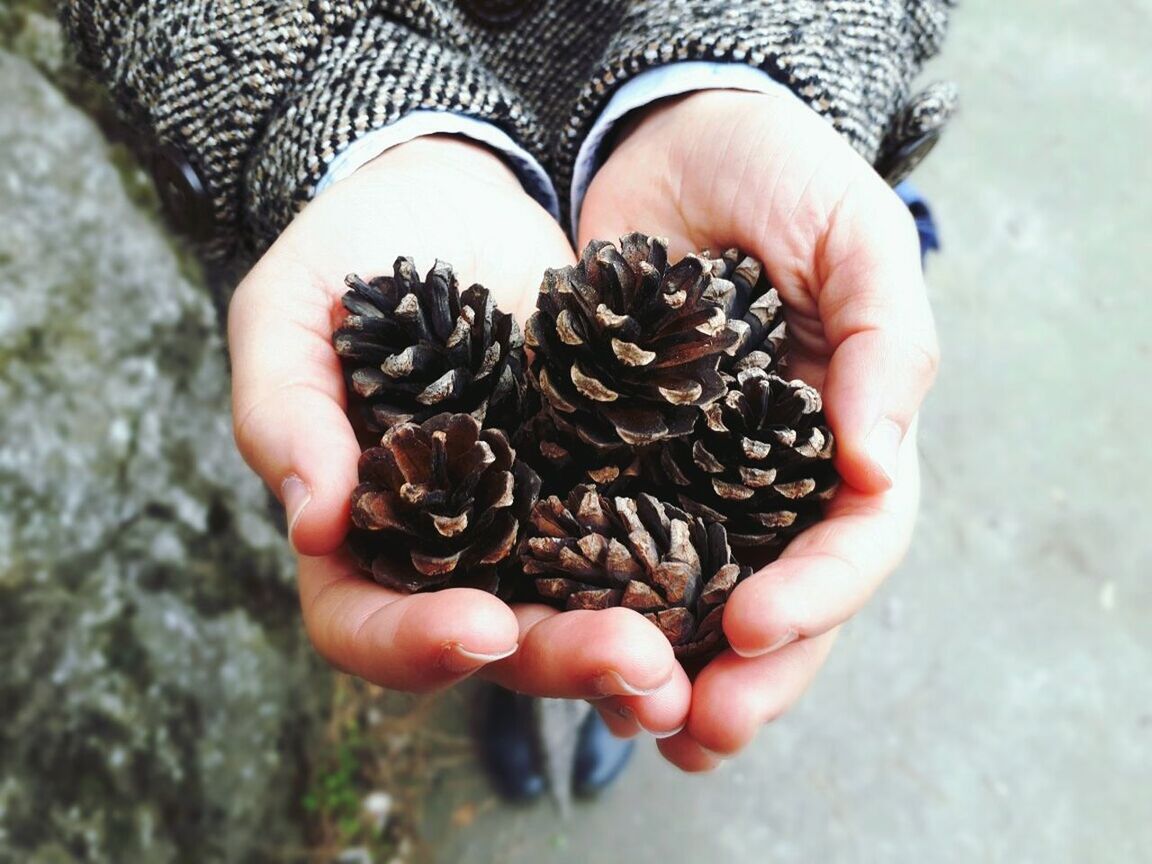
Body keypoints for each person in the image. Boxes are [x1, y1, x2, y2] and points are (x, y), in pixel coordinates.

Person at [61, 0, 955, 795]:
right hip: (337, 137)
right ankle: (544, 690)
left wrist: (756, 70)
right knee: (497, 622)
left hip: (704, 103)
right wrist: (321, 106)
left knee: (629, 629)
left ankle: (595, 685)